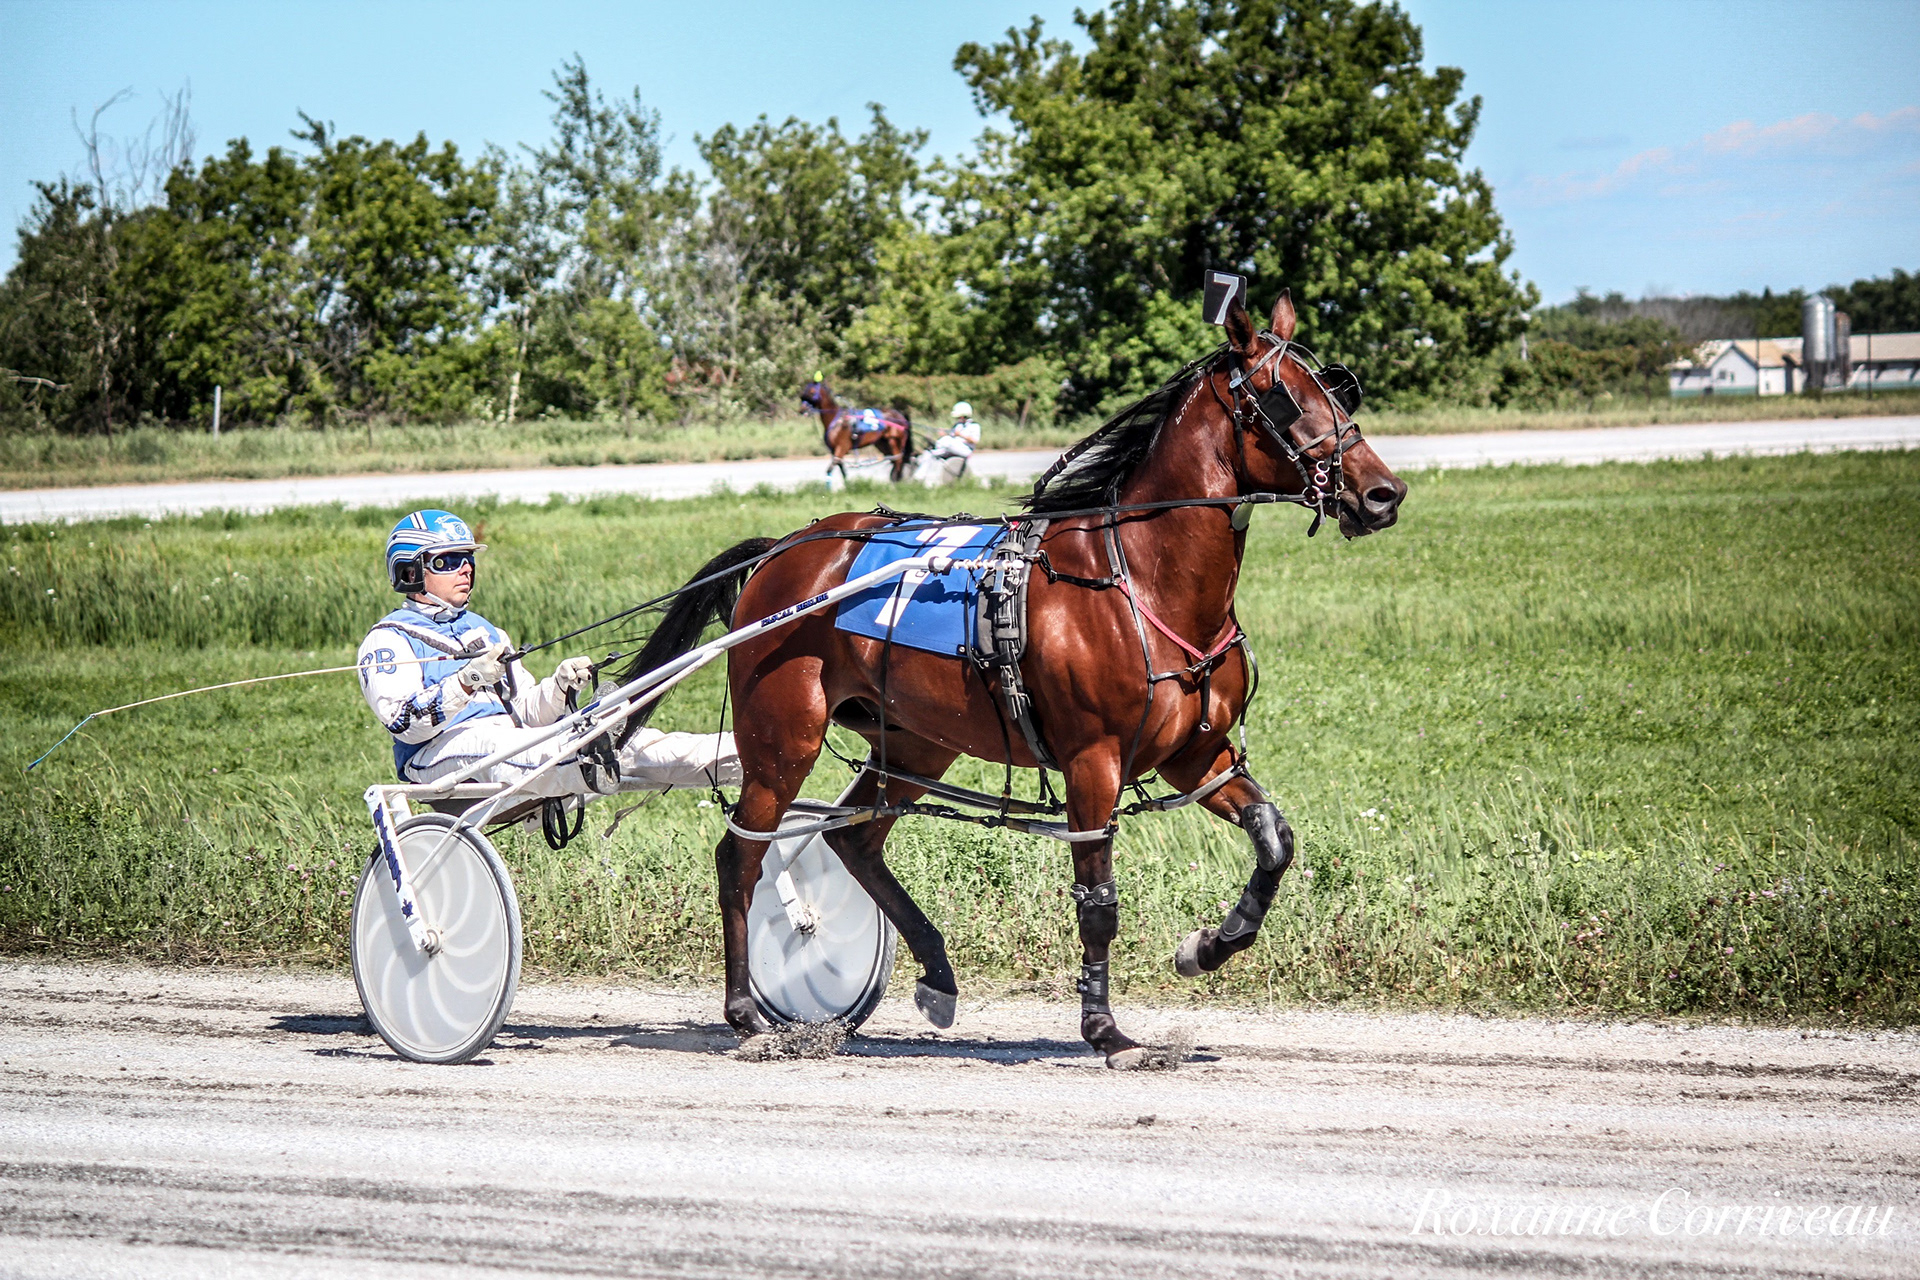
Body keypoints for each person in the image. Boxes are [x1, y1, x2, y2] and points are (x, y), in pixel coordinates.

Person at [357, 509, 739, 798]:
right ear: (411, 571)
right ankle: (590, 750)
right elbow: (405, 723)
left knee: (636, 743)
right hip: (435, 755)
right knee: (504, 745)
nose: (466, 570)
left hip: (512, 745)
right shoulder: (387, 640)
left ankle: (749, 753)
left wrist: (558, 688)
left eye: (468, 559)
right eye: (448, 561)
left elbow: (524, 712)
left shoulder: (486, 630)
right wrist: (468, 681)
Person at [917, 401, 982, 486]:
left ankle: (936, 446)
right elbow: (952, 436)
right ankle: (918, 478)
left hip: (965, 450)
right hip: (953, 447)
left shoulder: (974, 426)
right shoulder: (957, 425)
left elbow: (975, 440)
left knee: (947, 440)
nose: (958, 418)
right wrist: (944, 434)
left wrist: (961, 435)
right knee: (928, 453)